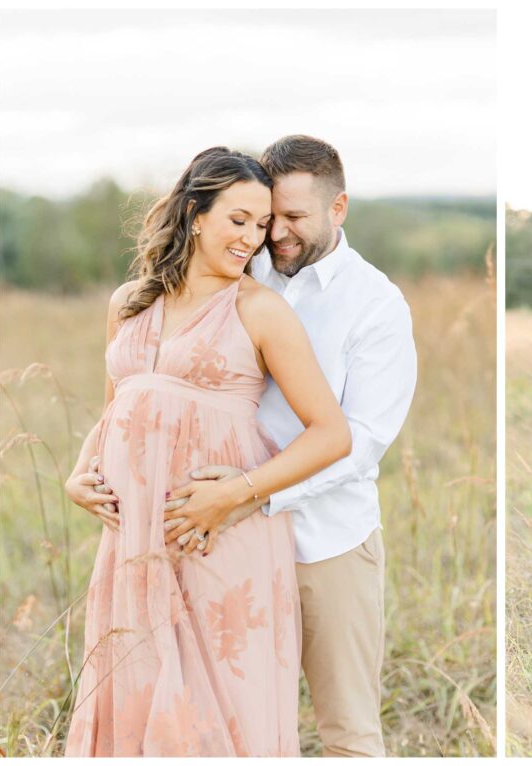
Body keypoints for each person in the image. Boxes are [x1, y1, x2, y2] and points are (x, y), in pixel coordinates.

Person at [62, 147, 352, 756]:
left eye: (263, 223)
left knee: (217, 709)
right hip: (134, 542)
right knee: (137, 696)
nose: (254, 237)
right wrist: (77, 475)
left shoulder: (259, 310)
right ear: (196, 214)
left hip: (218, 535)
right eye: (239, 219)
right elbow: (118, 409)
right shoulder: (130, 303)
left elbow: (332, 432)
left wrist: (236, 493)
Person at [161, 135, 417, 756]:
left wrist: (250, 494)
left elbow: (361, 442)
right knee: (224, 719)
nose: (276, 235)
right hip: (221, 537)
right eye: (271, 218)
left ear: (340, 208)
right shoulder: (237, 272)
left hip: (323, 540)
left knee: (347, 729)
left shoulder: (376, 304)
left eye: (296, 218)